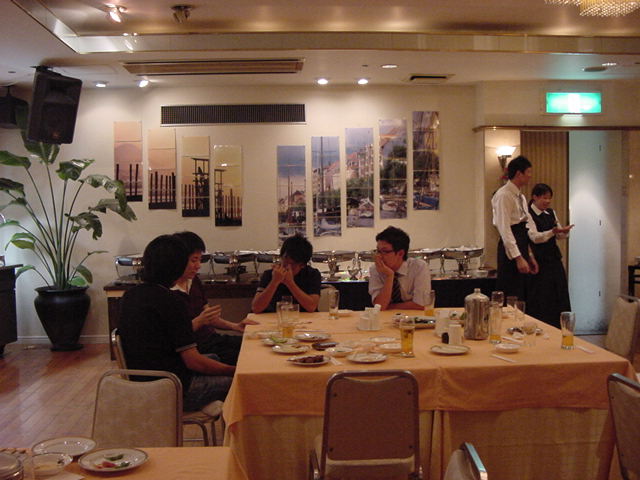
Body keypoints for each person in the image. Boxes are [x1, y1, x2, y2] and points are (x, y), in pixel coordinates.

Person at [118, 234, 235, 412]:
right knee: (241, 381)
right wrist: (233, 370)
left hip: (139, 380)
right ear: (177, 267)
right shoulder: (171, 301)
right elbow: (194, 362)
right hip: (171, 388)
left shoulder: (130, 295)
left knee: (215, 358)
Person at [172, 231, 257, 365]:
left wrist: (235, 326)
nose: (198, 265)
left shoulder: (194, 281)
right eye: (194, 260)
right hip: (197, 348)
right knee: (250, 358)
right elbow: (175, 336)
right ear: (178, 259)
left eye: (199, 260)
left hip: (212, 338)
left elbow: (209, 318)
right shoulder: (166, 292)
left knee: (257, 345)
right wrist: (199, 321)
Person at [526, 183, 574, 327]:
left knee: (560, 293)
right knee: (542, 297)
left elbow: (559, 235)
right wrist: (552, 232)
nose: (547, 201)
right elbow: (534, 237)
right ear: (535, 197)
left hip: (554, 259)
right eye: (544, 198)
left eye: (549, 198)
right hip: (539, 261)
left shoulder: (551, 213)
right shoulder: (528, 214)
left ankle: (561, 328)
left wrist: (564, 232)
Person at [491, 155, 539, 300]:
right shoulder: (504, 195)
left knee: (523, 293)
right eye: (528, 172)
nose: (530, 176)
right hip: (510, 248)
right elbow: (504, 229)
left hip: (521, 242)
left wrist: (529, 255)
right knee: (510, 291)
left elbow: (525, 226)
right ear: (519, 174)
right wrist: (518, 258)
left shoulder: (521, 196)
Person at [252, 234, 321, 313]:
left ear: (303, 265)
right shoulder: (269, 274)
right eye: (285, 261)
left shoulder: (312, 274)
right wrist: (274, 282)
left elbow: (311, 307)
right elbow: (256, 308)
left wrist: (290, 283)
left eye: (292, 264)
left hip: (305, 318)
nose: (287, 267)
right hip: (274, 317)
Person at [368, 226, 431, 311]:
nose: (379, 256)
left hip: (414, 317)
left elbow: (421, 305)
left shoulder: (419, 267)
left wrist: (389, 307)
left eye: (385, 251)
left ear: (400, 253)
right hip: (385, 318)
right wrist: (389, 276)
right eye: (378, 251)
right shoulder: (376, 269)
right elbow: (380, 306)